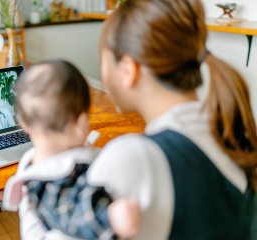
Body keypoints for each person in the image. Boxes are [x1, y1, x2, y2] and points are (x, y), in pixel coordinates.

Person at [23, 0, 257, 239]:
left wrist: (34, 175)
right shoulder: (230, 130)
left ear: (128, 70)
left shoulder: (136, 157)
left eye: (103, 60)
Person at [3, 60, 140, 240]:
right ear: (81, 123)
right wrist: (112, 218)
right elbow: (76, 219)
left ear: (23, 123)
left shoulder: (29, 161)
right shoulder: (59, 179)